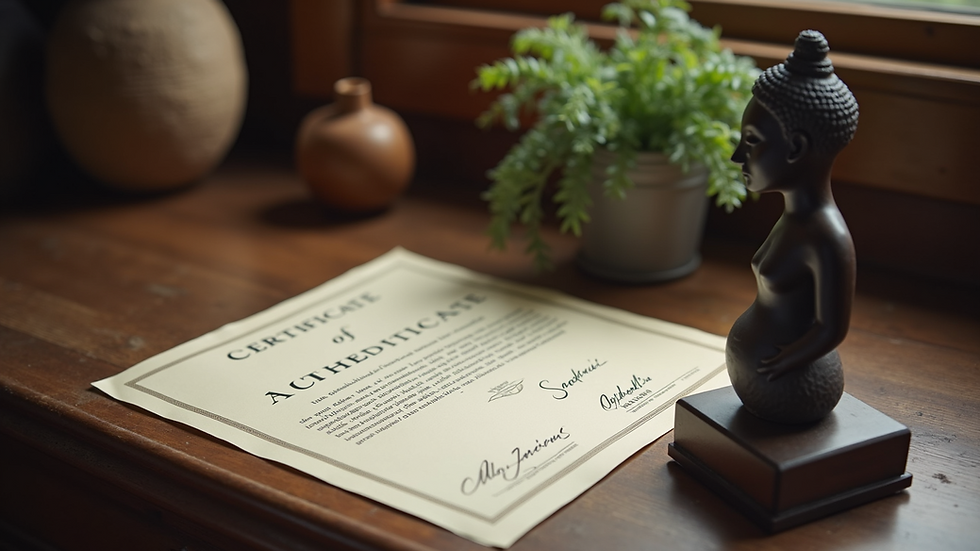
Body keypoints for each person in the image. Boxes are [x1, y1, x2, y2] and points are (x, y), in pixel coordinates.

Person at [726, 30, 859, 424]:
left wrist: (785, 361)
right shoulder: (792, 218)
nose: (738, 156)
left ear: (797, 148)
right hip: (763, 380)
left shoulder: (827, 237)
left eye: (751, 141)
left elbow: (832, 328)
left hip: (795, 387)